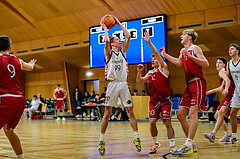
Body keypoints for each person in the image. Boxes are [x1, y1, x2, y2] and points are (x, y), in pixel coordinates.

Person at [98, 15, 141, 155]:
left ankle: (137, 138)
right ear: (112, 43)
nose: (120, 40)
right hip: (112, 85)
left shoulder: (123, 52)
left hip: (123, 84)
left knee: (130, 111)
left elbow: (128, 35)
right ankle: (101, 140)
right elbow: (106, 40)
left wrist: (118, 23)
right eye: (117, 39)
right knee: (107, 112)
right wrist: (105, 28)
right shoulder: (108, 53)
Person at [162, 29, 209, 155]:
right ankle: (192, 143)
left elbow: (206, 64)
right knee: (180, 114)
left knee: (193, 113)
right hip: (189, 85)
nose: (180, 36)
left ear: (189, 37)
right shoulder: (182, 51)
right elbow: (178, 63)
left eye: (182, 35)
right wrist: (165, 55)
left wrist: (190, 56)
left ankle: (188, 144)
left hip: (198, 82)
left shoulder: (195, 48)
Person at [136, 31, 177, 154]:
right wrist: (139, 72)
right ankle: (156, 143)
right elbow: (139, 82)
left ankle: (172, 145)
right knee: (152, 122)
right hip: (154, 101)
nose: (153, 60)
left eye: (155, 59)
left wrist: (149, 42)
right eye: (152, 59)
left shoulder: (164, 68)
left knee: (167, 122)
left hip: (165, 100)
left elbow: (157, 55)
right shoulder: (150, 73)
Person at [0, 35, 36, 159]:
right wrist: (32, 64)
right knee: (9, 130)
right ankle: (21, 158)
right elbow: (30, 67)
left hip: (5, 98)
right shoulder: (17, 60)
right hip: (19, 100)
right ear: (10, 47)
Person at [204, 57, 234, 143]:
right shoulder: (223, 72)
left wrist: (227, 89)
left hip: (231, 95)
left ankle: (213, 134)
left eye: (220, 62)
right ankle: (228, 134)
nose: (217, 64)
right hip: (227, 95)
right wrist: (212, 91)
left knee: (220, 113)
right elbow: (221, 87)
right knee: (216, 116)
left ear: (224, 65)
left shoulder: (222, 72)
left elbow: (228, 81)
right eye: (216, 62)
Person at [225, 43, 240, 143]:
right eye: (229, 49)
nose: (230, 50)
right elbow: (227, 78)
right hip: (237, 92)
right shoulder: (229, 63)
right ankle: (234, 136)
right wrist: (225, 88)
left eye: (232, 49)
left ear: (237, 51)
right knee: (232, 113)